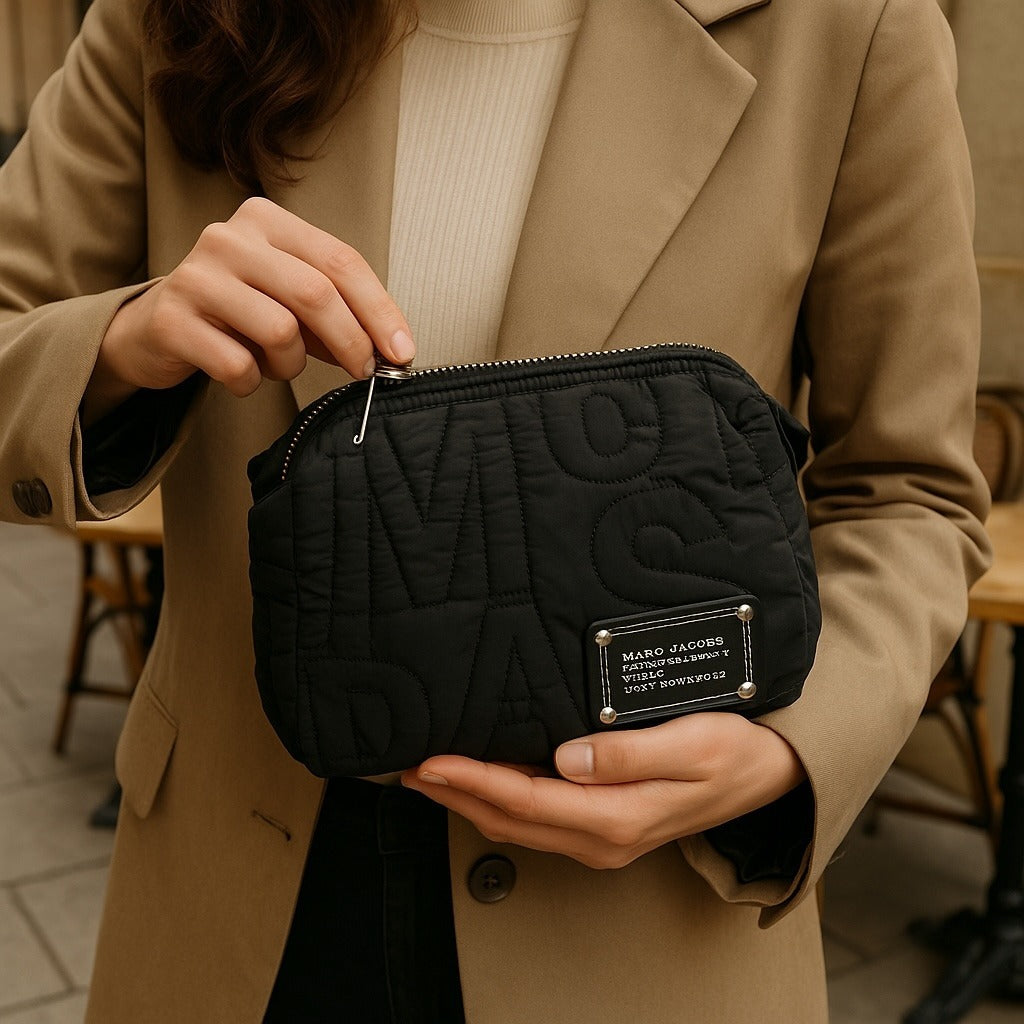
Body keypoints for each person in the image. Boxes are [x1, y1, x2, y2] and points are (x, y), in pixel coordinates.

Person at [0, 0, 990, 1021]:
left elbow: (909, 491)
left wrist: (790, 750)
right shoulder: (177, 13)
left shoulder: (844, 25)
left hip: (641, 914)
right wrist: (126, 341)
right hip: (232, 895)